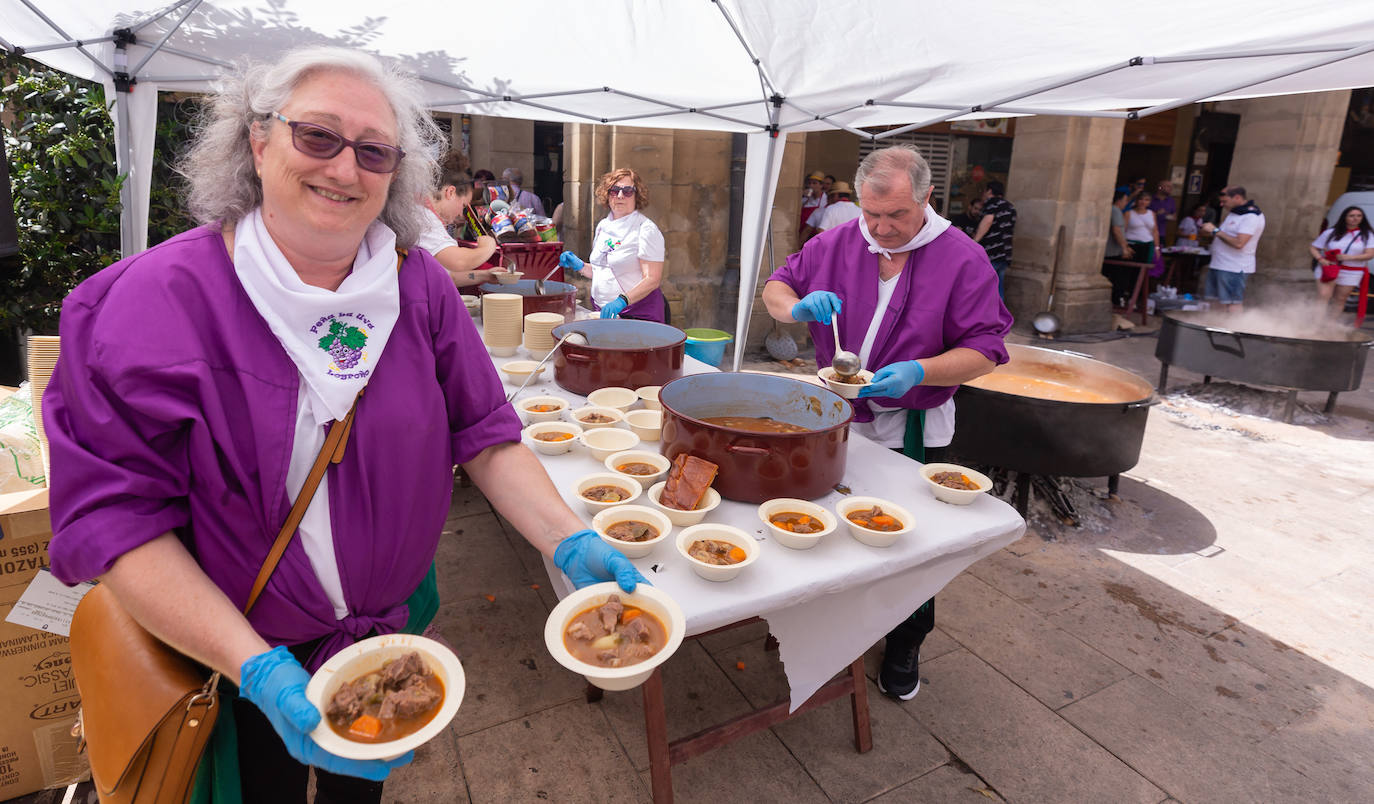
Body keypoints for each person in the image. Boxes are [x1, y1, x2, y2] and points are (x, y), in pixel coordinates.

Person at [42, 47, 643, 804]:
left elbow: (484, 435)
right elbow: (116, 521)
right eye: (317, 136)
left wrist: (568, 537)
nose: (345, 168)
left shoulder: (416, 287)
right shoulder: (145, 304)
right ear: (257, 142)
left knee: (361, 793)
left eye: (374, 150)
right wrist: (252, 663)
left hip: (389, 640)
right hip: (242, 656)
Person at [761, 145, 1011, 702]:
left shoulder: (963, 257)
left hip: (912, 422)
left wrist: (922, 369)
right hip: (838, 411)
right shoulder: (840, 240)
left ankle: (906, 639)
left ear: (927, 197)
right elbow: (777, 288)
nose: (882, 228)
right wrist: (795, 309)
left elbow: (988, 350)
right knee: (827, 516)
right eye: (871, 215)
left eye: (897, 215)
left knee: (907, 541)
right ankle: (824, 623)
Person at [558, 167, 666, 321]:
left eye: (627, 191)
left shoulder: (646, 229)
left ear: (637, 195)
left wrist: (622, 301)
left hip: (637, 314)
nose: (620, 196)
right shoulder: (603, 226)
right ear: (607, 195)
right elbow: (603, 271)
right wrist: (580, 266)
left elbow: (652, 279)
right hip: (603, 312)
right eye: (614, 190)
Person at [415, 150, 499, 287]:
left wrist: (486, 275)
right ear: (451, 192)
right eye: (463, 205)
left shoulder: (425, 213)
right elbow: (459, 262)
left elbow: (449, 277)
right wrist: (488, 246)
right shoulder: (423, 217)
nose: (461, 213)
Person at [1201, 186, 1266, 312]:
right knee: (1215, 301)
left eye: (1224, 201)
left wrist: (1215, 230)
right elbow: (1224, 235)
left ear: (1237, 197)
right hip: (1219, 264)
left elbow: (1239, 243)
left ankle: (1233, 329)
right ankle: (1214, 327)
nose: (1221, 204)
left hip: (1234, 267)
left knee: (1232, 303)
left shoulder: (1251, 216)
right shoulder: (1235, 212)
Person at [1309, 205, 1373, 322]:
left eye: (1359, 216)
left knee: (1340, 299)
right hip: (1329, 268)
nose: (1355, 218)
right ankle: (1315, 324)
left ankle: (1330, 324)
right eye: (1352, 216)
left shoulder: (1368, 235)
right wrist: (1321, 259)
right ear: (1344, 217)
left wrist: (1350, 257)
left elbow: (1370, 254)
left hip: (1352, 271)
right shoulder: (1331, 232)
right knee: (1324, 295)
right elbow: (1314, 247)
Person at [972, 180, 1016, 296]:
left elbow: (988, 221)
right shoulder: (1010, 207)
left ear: (990, 191)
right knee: (998, 286)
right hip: (1005, 254)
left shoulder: (992, 203)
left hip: (992, 253)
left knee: (983, 286)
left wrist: (974, 242)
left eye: (985, 191)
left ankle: (984, 312)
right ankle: (998, 312)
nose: (983, 194)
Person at [1124, 193, 1160, 264]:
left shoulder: (1152, 213)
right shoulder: (1128, 213)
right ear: (1136, 201)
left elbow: (1155, 231)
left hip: (1148, 245)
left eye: (1147, 200)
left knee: (1144, 269)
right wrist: (1124, 246)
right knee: (1129, 268)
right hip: (1132, 244)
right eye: (1141, 199)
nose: (1143, 202)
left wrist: (1157, 248)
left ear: (1149, 202)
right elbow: (1122, 231)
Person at [799, 170, 828, 237]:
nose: (811, 185)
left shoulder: (825, 200)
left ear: (821, 185)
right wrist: (803, 196)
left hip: (815, 234)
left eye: (814, 183)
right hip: (802, 233)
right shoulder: (805, 199)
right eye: (810, 183)